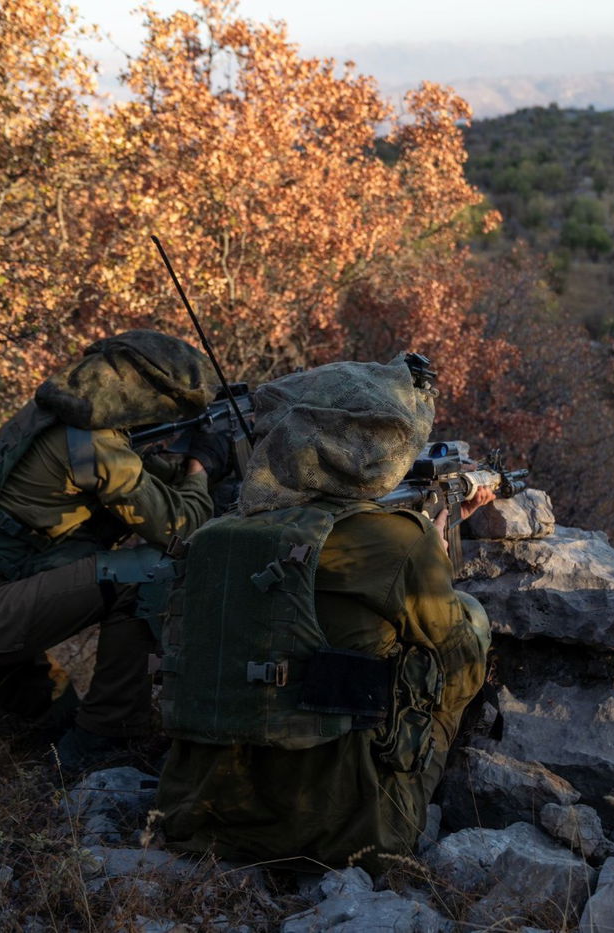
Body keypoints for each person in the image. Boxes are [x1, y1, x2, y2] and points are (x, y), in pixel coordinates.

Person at [155, 356, 492, 871]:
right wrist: (434, 562)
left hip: (200, 816)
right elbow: (460, 666)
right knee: (469, 621)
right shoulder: (399, 540)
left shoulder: (215, 535)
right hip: (345, 833)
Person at [0, 330, 227, 771]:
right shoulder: (93, 446)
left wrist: (185, 468)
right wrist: (200, 468)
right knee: (150, 573)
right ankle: (111, 735)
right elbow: (180, 527)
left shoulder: (55, 421)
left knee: (53, 726)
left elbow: (141, 476)